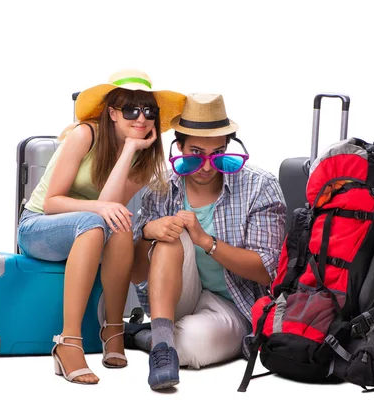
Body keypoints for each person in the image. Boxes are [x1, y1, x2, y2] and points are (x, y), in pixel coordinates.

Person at [17, 69, 185, 385]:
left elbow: (111, 206)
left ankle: (113, 330)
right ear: (112, 113)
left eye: (149, 111)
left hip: (90, 231)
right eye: (131, 109)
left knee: (118, 224)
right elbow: (52, 202)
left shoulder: (143, 158)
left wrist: (130, 151)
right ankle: (68, 343)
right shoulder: (85, 135)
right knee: (100, 220)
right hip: (39, 228)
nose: (142, 118)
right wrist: (98, 208)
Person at [127, 93, 287, 390]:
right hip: (178, 297)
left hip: (233, 304)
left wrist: (205, 240)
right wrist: (149, 230)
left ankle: (147, 336)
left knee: (189, 349)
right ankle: (162, 346)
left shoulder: (260, 186)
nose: (206, 166)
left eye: (218, 154)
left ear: (229, 146)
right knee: (169, 239)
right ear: (179, 146)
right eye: (195, 153)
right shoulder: (161, 188)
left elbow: (268, 271)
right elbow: (137, 274)